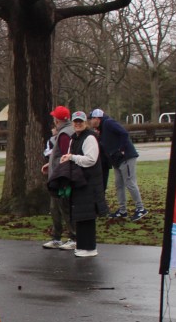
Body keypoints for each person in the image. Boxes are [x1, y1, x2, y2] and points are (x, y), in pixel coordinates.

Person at [59, 111, 109, 257]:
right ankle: (82, 246)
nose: (78, 124)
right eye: (75, 121)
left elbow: (91, 159)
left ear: (85, 123)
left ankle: (90, 248)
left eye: (80, 121)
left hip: (89, 182)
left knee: (87, 216)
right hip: (79, 181)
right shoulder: (74, 138)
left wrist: (72, 157)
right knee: (80, 215)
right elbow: (71, 157)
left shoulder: (90, 138)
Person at [89, 108, 146, 221]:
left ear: (97, 118)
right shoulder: (101, 129)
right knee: (119, 185)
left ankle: (140, 208)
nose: (90, 121)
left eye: (91, 119)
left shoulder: (108, 123)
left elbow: (124, 133)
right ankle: (122, 210)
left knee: (130, 183)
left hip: (126, 158)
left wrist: (122, 149)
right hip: (116, 161)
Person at [40, 106, 77, 250]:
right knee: (55, 208)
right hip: (57, 175)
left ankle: (74, 238)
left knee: (64, 208)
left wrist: (61, 174)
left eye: (54, 118)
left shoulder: (65, 134)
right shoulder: (65, 132)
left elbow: (65, 156)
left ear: (57, 120)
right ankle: (56, 237)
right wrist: (50, 165)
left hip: (61, 177)